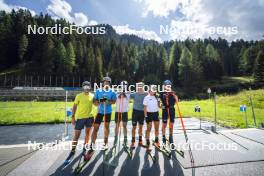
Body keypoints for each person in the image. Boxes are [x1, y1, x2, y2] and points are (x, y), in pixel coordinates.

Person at [64, 81, 97, 163]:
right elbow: (74, 106)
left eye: (88, 86)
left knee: (87, 135)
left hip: (89, 118)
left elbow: (96, 103)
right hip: (80, 118)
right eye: (85, 86)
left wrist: (105, 98)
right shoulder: (79, 96)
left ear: (90, 87)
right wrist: (73, 117)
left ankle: (85, 148)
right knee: (76, 136)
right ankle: (73, 150)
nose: (86, 88)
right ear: (83, 87)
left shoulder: (92, 96)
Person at [89, 76, 116, 152]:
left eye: (108, 82)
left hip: (108, 112)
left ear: (109, 83)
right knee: (95, 128)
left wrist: (108, 101)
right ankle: (92, 143)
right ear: (103, 83)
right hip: (100, 112)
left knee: (106, 128)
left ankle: (105, 143)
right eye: (105, 82)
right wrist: (100, 101)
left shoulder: (112, 92)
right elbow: (94, 102)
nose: (106, 83)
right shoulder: (98, 91)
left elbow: (114, 101)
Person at [159, 80, 178, 148]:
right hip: (165, 110)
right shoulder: (161, 93)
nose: (167, 86)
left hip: (172, 110)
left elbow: (176, 101)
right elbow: (159, 102)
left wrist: (175, 97)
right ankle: (163, 137)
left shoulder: (173, 93)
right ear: (164, 86)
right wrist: (161, 105)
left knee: (171, 124)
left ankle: (171, 137)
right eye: (166, 85)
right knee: (164, 124)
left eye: (169, 85)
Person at [130, 82, 147, 148]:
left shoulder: (146, 94)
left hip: (142, 112)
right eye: (138, 86)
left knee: (140, 127)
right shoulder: (134, 94)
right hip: (135, 112)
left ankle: (140, 141)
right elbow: (126, 95)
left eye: (141, 86)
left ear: (143, 86)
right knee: (134, 127)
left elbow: (153, 95)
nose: (139, 87)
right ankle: (133, 142)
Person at [114, 81, 130, 146]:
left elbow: (126, 97)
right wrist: (120, 93)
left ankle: (125, 138)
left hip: (124, 111)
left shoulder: (128, 92)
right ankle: (116, 137)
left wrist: (123, 93)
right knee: (117, 125)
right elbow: (118, 97)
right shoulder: (117, 92)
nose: (123, 86)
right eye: (122, 85)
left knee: (124, 125)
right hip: (118, 111)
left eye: (125, 85)